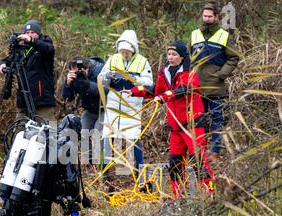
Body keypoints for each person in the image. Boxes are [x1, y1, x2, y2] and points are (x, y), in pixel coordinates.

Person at [123, 40, 213, 198]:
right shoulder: (165, 72)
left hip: (193, 125)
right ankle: (179, 198)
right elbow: (156, 91)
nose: (170, 57)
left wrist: (165, 96)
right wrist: (135, 91)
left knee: (199, 163)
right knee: (175, 165)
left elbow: (184, 89)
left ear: (182, 56)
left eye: (174, 54)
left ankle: (211, 194)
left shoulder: (189, 71)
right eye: (169, 54)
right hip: (176, 128)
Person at [99, 30, 153, 178]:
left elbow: (149, 82)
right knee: (108, 137)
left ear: (133, 50)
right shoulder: (112, 59)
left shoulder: (142, 61)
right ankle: (105, 173)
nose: (124, 54)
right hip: (113, 106)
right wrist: (107, 76)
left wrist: (132, 78)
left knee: (134, 138)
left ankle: (139, 173)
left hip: (132, 107)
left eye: (127, 52)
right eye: (122, 51)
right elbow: (101, 78)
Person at [190, 2, 240, 163]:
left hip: (216, 86)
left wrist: (221, 74)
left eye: (210, 16)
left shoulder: (224, 35)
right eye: (205, 16)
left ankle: (215, 152)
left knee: (217, 120)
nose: (207, 19)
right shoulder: (194, 34)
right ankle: (201, 151)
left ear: (216, 17)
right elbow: (188, 59)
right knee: (199, 121)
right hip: (197, 87)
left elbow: (234, 57)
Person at [0, 19, 56, 122]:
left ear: (38, 34)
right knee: (19, 133)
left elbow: (48, 49)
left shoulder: (45, 45)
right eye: (27, 33)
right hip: (24, 101)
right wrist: (2, 64)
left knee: (45, 134)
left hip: (42, 101)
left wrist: (32, 41)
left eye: (32, 33)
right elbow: (9, 59)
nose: (29, 35)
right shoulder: (23, 49)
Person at [62, 56, 105, 163]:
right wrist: (68, 84)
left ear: (87, 68)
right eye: (73, 70)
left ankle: (102, 166)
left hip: (105, 108)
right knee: (84, 132)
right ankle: (90, 163)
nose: (77, 73)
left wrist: (86, 83)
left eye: (79, 70)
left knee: (97, 133)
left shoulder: (100, 70)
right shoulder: (74, 76)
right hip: (90, 109)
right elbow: (68, 98)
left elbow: (102, 91)